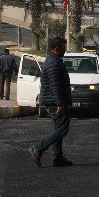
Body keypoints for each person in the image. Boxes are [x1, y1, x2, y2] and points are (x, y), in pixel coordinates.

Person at [30, 37, 73, 167]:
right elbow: (55, 85)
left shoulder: (54, 61)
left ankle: (58, 158)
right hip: (55, 103)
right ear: (56, 49)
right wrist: (60, 103)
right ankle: (38, 148)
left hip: (54, 101)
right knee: (62, 129)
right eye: (63, 47)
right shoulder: (53, 64)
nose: (65, 50)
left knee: (58, 129)